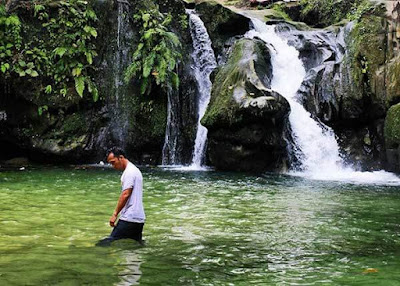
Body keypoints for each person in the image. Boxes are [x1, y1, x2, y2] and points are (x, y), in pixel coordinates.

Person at [96, 147, 145, 246]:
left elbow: (126, 194)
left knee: (106, 242)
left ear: (121, 157)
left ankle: (92, 257)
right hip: (139, 218)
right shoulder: (134, 170)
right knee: (137, 245)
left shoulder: (129, 172)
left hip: (130, 217)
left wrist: (115, 214)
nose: (113, 166)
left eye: (113, 162)